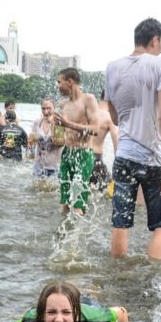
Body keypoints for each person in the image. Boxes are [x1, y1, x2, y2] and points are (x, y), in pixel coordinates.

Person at [105, 18, 161, 261]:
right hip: (153, 159)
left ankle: (118, 273)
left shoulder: (112, 67)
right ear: (154, 40)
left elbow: (114, 117)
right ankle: (151, 275)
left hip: (123, 156)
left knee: (121, 221)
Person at [18, 281, 129, 322]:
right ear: (42, 315)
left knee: (91, 296)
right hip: (65, 305)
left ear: (77, 314)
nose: (59, 319)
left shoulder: (97, 319)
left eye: (66, 313)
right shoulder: (30, 321)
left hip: (86, 307)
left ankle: (93, 290)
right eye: (51, 312)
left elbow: (122, 312)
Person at [53, 67, 99, 214]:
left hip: (83, 154)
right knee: (65, 204)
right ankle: (62, 228)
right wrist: (57, 128)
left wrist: (68, 124)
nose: (57, 86)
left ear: (70, 81)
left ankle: (79, 228)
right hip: (67, 153)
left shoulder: (88, 99)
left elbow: (96, 129)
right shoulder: (63, 105)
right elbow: (58, 141)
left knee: (77, 204)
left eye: (59, 82)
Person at [90, 93, 119, 192]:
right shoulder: (109, 117)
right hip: (96, 159)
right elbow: (116, 145)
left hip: (82, 155)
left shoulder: (87, 111)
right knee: (107, 190)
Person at [32, 98, 61, 181]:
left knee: (52, 189)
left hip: (54, 166)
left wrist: (52, 124)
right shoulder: (37, 122)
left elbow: (60, 143)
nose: (45, 111)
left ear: (54, 108)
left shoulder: (59, 123)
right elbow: (31, 142)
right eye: (43, 108)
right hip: (38, 165)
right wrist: (32, 140)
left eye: (49, 108)